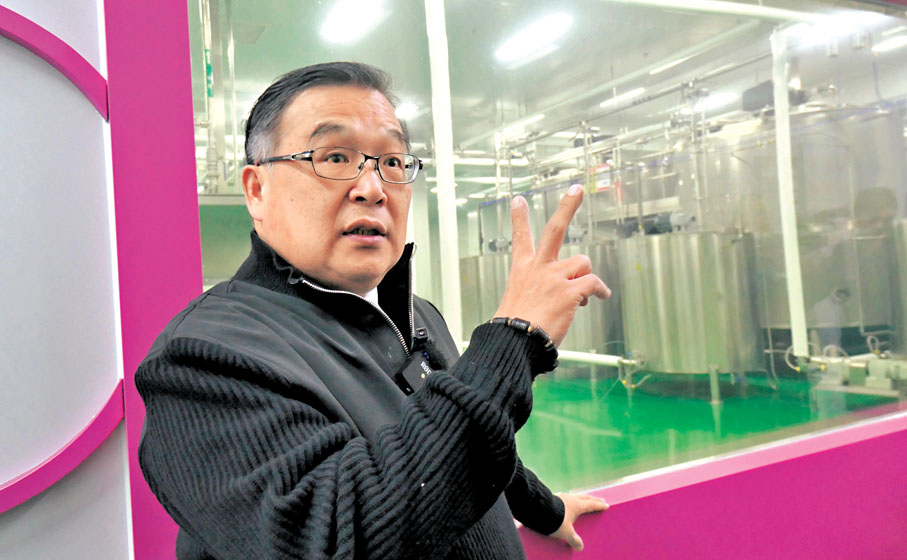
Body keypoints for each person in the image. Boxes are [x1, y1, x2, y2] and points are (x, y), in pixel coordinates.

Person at [136, 61, 612, 559]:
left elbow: (458, 437)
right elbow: (336, 540)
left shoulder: (415, 314)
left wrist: (546, 509)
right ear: (257, 190)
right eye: (334, 157)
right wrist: (514, 338)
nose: (373, 188)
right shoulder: (202, 358)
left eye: (392, 162)